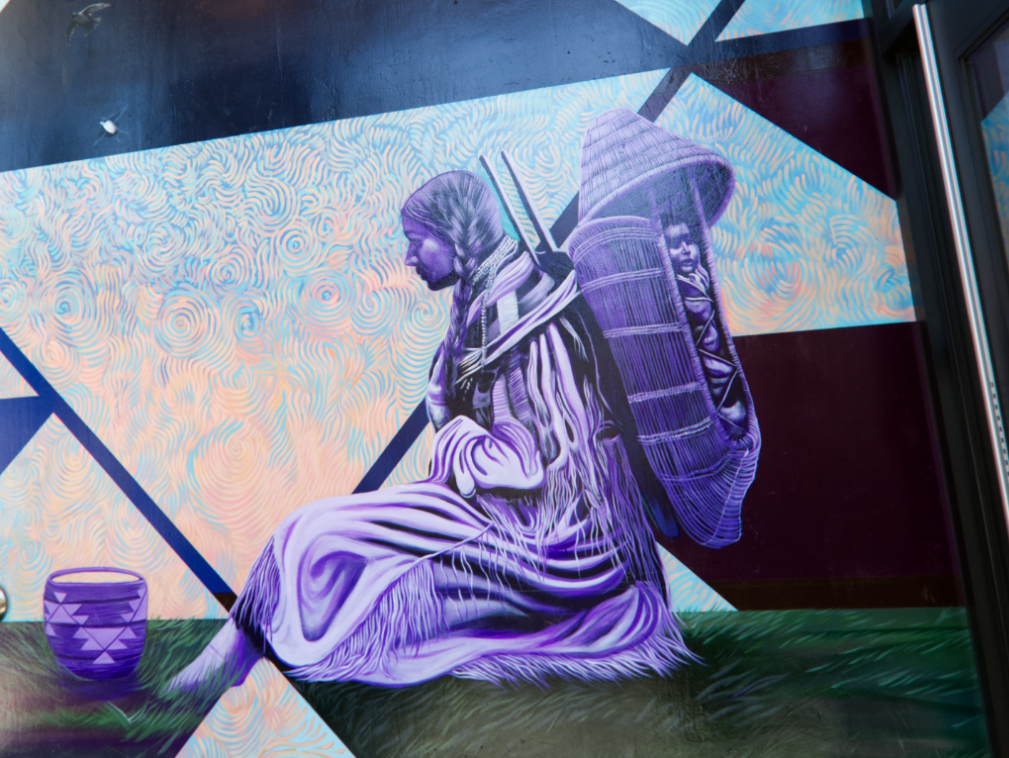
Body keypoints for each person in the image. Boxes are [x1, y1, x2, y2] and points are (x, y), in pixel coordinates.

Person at [169, 170, 688, 696]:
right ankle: (223, 664)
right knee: (310, 534)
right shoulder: (486, 295)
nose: (408, 259)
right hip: (506, 515)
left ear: (457, 235)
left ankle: (218, 669)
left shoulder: (521, 317)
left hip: (556, 546)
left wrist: (455, 433)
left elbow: (524, 466)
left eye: (418, 242)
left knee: (318, 538)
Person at [663, 221, 747, 435]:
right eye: (675, 244)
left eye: (689, 241)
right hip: (706, 373)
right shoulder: (675, 290)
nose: (686, 250)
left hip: (724, 361)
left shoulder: (705, 278)